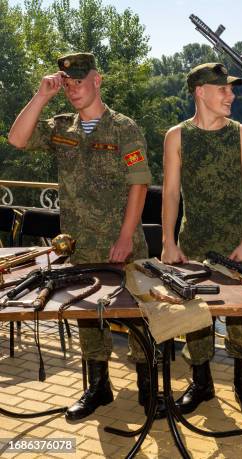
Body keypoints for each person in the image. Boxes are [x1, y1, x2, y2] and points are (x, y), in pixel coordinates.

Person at [7, 53, 153, 421]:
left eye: (79, 81)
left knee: (138, 315)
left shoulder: (124, 128)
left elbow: (139, 184)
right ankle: (99, 387)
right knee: (88, 316)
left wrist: (124, 236)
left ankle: (148, 386)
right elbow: (17, 139)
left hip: (123, 245)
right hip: (79, 244)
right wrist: (41, 96)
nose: (73, 89)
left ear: (97, 80)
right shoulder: (61, 128)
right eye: (67, 83)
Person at [161, 63, 242, 418]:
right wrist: (168, 241)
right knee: (195, 317)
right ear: (200, 91)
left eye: (232, 90)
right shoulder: (177, 136)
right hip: (193, 244)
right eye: (223, 89)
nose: (230, 95)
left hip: (235, 244)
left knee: (241, 319)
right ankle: (201, 384)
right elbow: (171, 193)